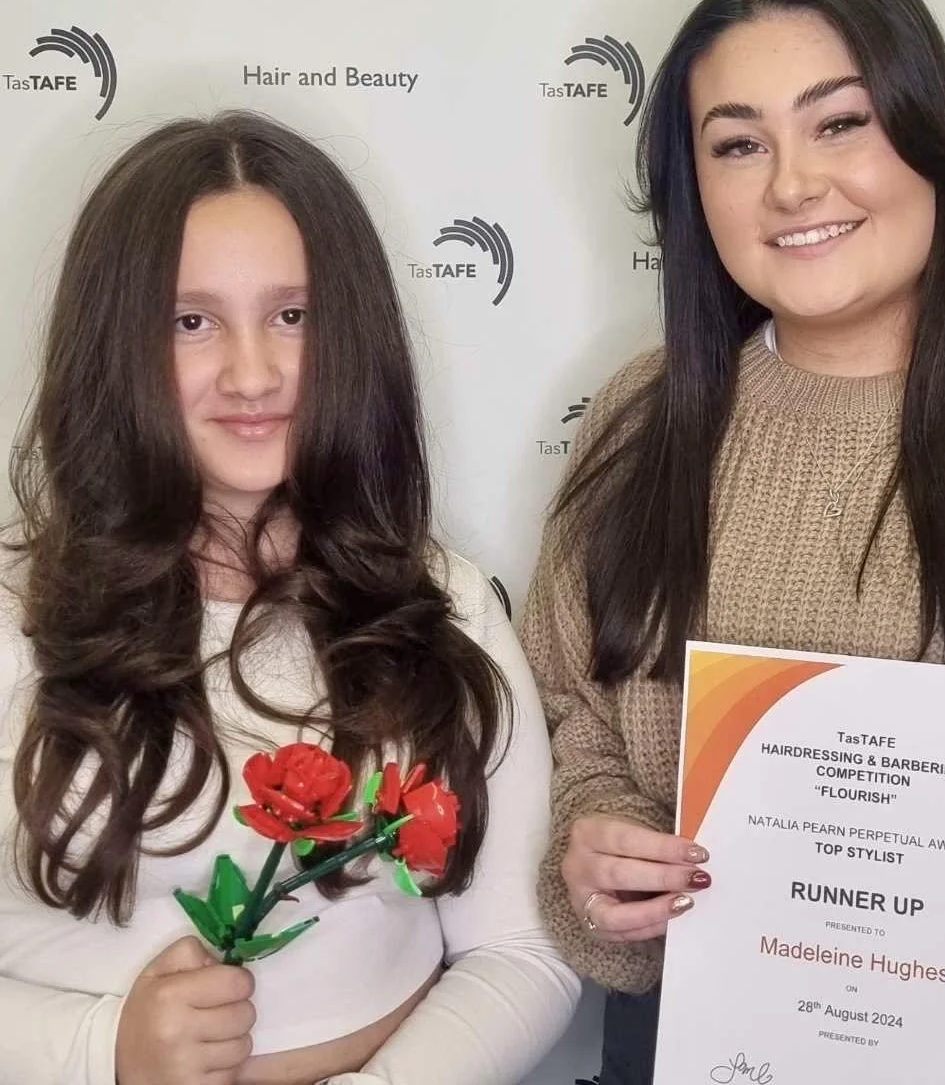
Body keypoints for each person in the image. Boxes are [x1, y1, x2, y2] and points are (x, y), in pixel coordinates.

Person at [519, 0, 945, 1085]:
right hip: (694, 1046)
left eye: (840, 123)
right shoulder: (642, 418)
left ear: (927, 133)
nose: (791, 184)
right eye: (738, 144)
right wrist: (595, 850)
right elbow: (576, 710)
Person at [0, 112, 580, 1085]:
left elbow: (522, 953)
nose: (252, 373)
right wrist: (104, 1053)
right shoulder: (15, 615)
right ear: (119, 349)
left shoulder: (446, 602)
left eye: (292, 316)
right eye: (192, 322)